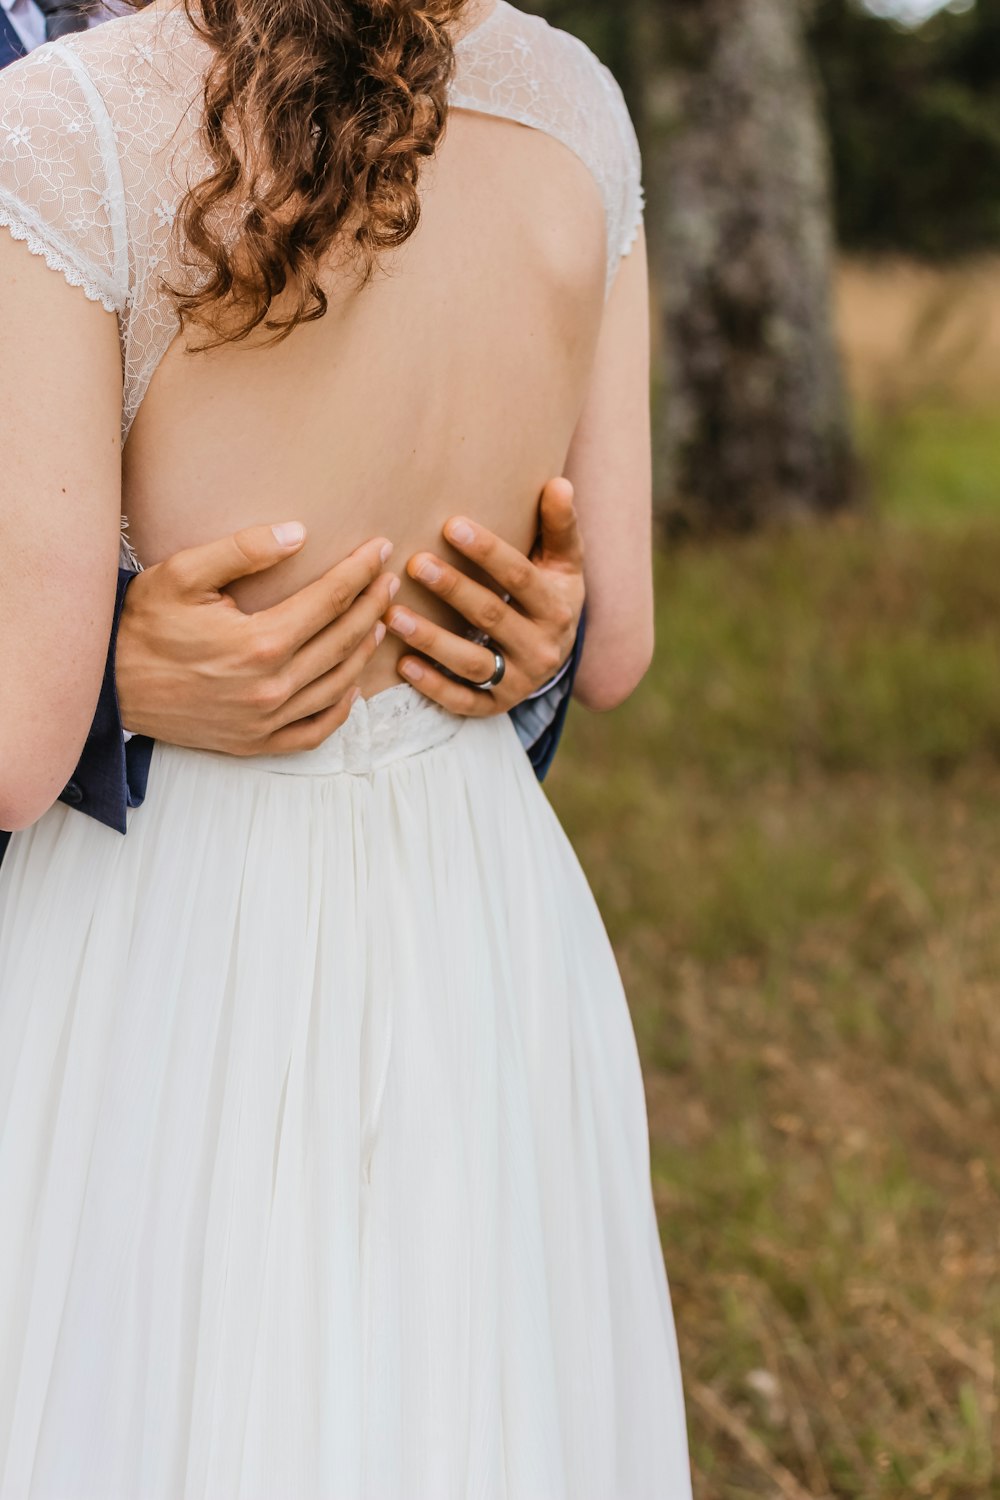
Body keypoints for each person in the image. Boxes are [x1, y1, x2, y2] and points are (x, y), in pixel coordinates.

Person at [0, 2, 693, 1496]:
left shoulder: (69, 127)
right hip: (480, 893)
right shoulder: (576, 104)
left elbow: (17, 740)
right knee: (460, 1388)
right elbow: (614, 638)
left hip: (171, 925)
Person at [0, 0, 589, 868]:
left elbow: (583, 605)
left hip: (192, 878)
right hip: (463, 863)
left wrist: (532, 649)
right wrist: (98, 682)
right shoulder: (573, 102)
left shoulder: (501, 74)